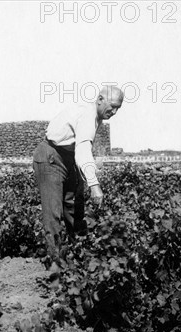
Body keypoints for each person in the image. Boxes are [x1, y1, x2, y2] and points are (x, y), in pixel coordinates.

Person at [33, 86, 124, 266]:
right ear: (99, 99)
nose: (114, 111)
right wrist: (94, 185)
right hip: (50, 156)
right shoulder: (88, 116)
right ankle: (56, 268)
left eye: (117, 108)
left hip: (68, 158)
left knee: (75, 206)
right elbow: (83, 150)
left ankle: (80, 257)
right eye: (112, 106)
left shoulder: (95, 116)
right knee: (53, 214)